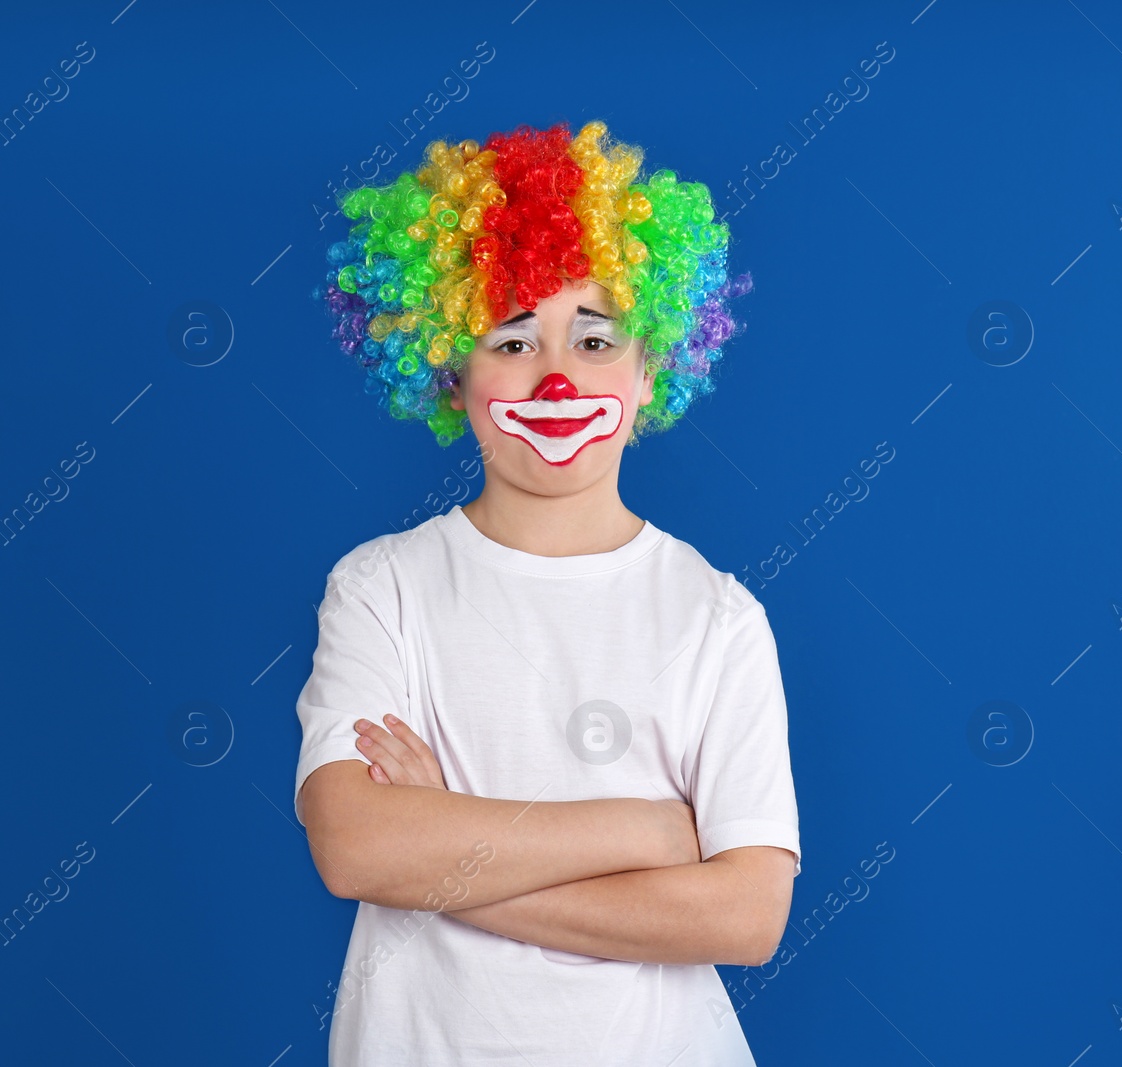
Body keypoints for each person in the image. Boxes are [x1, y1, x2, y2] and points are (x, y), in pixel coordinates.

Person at [295, 119, 801, 1066]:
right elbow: (358, 848)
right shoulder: (381, 588)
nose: (559, 377)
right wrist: (647, 829)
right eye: (514, 339)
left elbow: (746, 914)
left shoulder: (718, 617)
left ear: (652, 368)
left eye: (597, 338)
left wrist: (448, 859)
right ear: (451, 371)